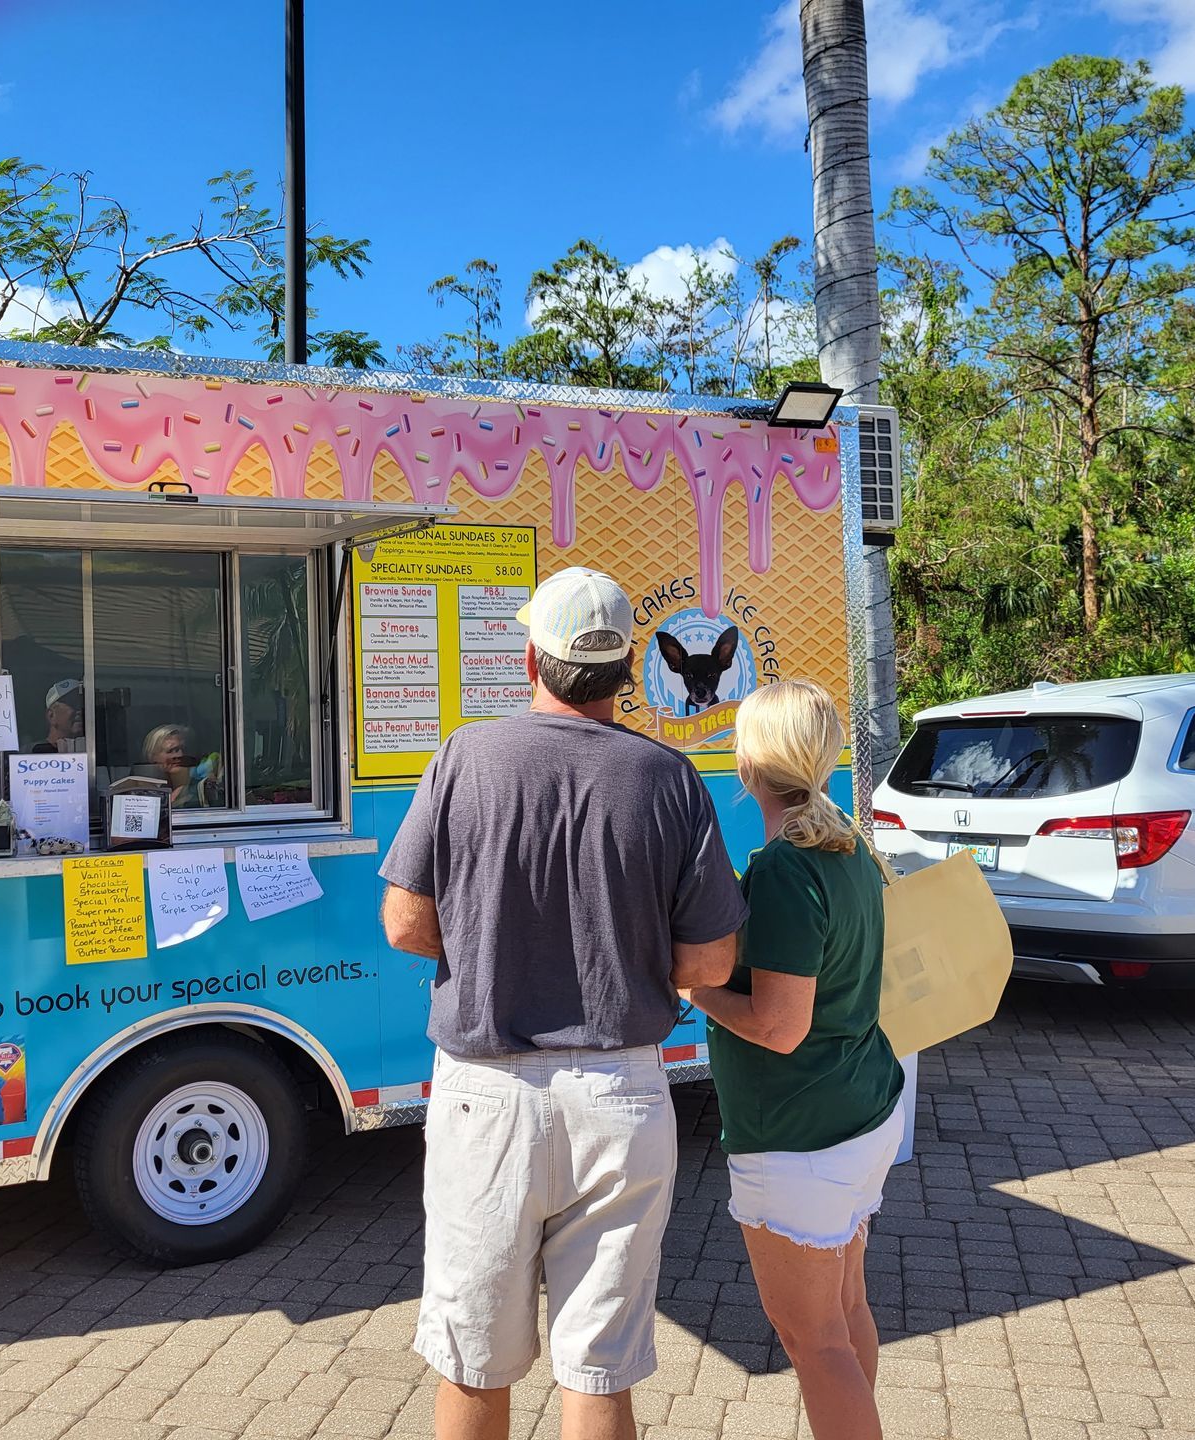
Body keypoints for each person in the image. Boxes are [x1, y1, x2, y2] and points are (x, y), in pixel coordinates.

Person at [379, 566, 742, 1440]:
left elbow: (402, 923)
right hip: (623, 1096)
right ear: (626, 674)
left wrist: (481, 945)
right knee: (599, 1367)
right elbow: (712, 958)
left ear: (530, 660)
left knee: (472, 1361)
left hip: (486, 1096)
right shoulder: (670, 778)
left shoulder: (465, 756)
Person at [681, 679, 905, 1440]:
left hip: (798, 1130)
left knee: (816, 1345)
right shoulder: (845, 845)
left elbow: (779, 1027)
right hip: (860, 1111)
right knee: (844, 1315)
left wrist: (693, 986)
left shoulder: (784, 866)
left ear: (749, 763)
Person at [142, 723, 220, 809]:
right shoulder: (145, 793)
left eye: (184, 749)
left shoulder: (203, 790)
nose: (180, 755)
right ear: (152, 757)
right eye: (172, 750)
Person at [33, 678, 85, 755]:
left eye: (83, 704)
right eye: (73, 703)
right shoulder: (30, 753)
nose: (80, 710)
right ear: (51, 716)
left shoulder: (96, 752)